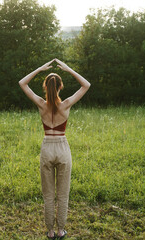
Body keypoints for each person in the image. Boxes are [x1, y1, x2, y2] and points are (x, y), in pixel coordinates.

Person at [19, 58, 90, 239]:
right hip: (62, 148)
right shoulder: (65, 104)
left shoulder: (41, 104)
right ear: (60, 87)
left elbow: (22, 83)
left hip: (47, 148)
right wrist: (68, 69)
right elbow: (86, 85)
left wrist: (40, 68)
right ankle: (61, 230)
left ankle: (50, 231)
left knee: (48, 195)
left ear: (45, 88)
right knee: (63, 194)